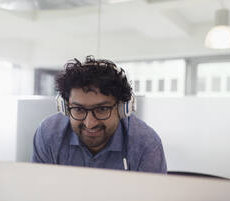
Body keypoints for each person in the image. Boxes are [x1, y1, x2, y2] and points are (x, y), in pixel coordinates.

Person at [32, 56, 167, 173]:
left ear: (122, 109)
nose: (90, 123)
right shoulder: (49, 134)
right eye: (79, 109)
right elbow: (39, 191)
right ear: (65, 108)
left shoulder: (146, 144)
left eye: (102, 109)